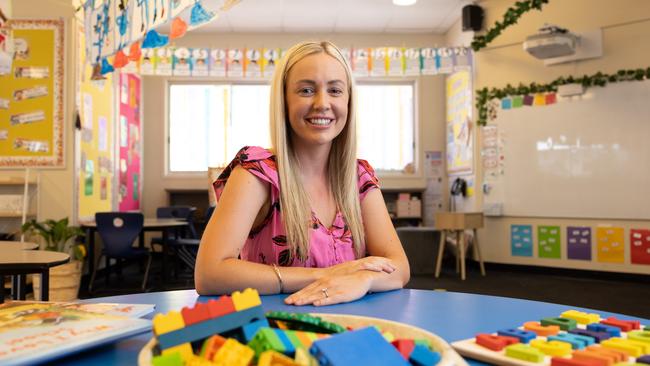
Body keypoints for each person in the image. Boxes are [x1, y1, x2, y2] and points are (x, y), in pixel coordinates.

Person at [195, 41, 410, 306]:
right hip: (276, 330)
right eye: (306, 90)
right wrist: (325, 276)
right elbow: (209, 274)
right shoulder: (257, 171)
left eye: (335, 90)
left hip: (351, 329)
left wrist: (364, 280)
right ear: (284, 100)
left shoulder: (359, 177)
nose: (322, 103)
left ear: (348, 101)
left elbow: (399, 268)